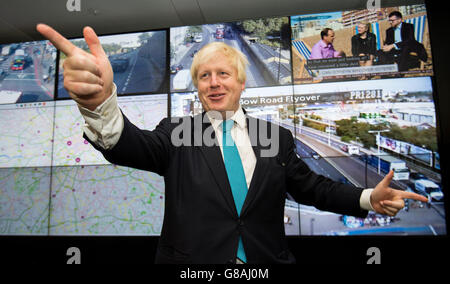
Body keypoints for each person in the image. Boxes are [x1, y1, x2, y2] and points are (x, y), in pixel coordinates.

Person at [36, 23, 428, 264]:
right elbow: (128, 145)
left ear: (241, 82)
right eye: (204, 75)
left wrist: (367, 200)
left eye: (223, 73)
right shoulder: (175, 133)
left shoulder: (276, 138)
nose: (214, 82)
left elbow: (314, 188)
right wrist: (100, 104)